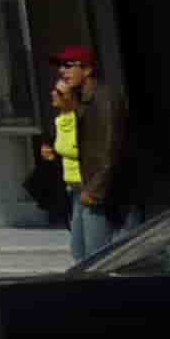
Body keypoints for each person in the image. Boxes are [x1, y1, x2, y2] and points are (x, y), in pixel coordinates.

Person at [38, 48, 140, 263]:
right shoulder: (79, 99)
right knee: (80, 251)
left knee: (97, 256)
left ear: (88, 69)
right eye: (61, 66)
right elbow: (74, 141)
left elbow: (109, 146)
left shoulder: (104, 98)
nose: (62, 71)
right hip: (81, 187)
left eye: (69, 65)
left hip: (100, 189)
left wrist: (95, 189)